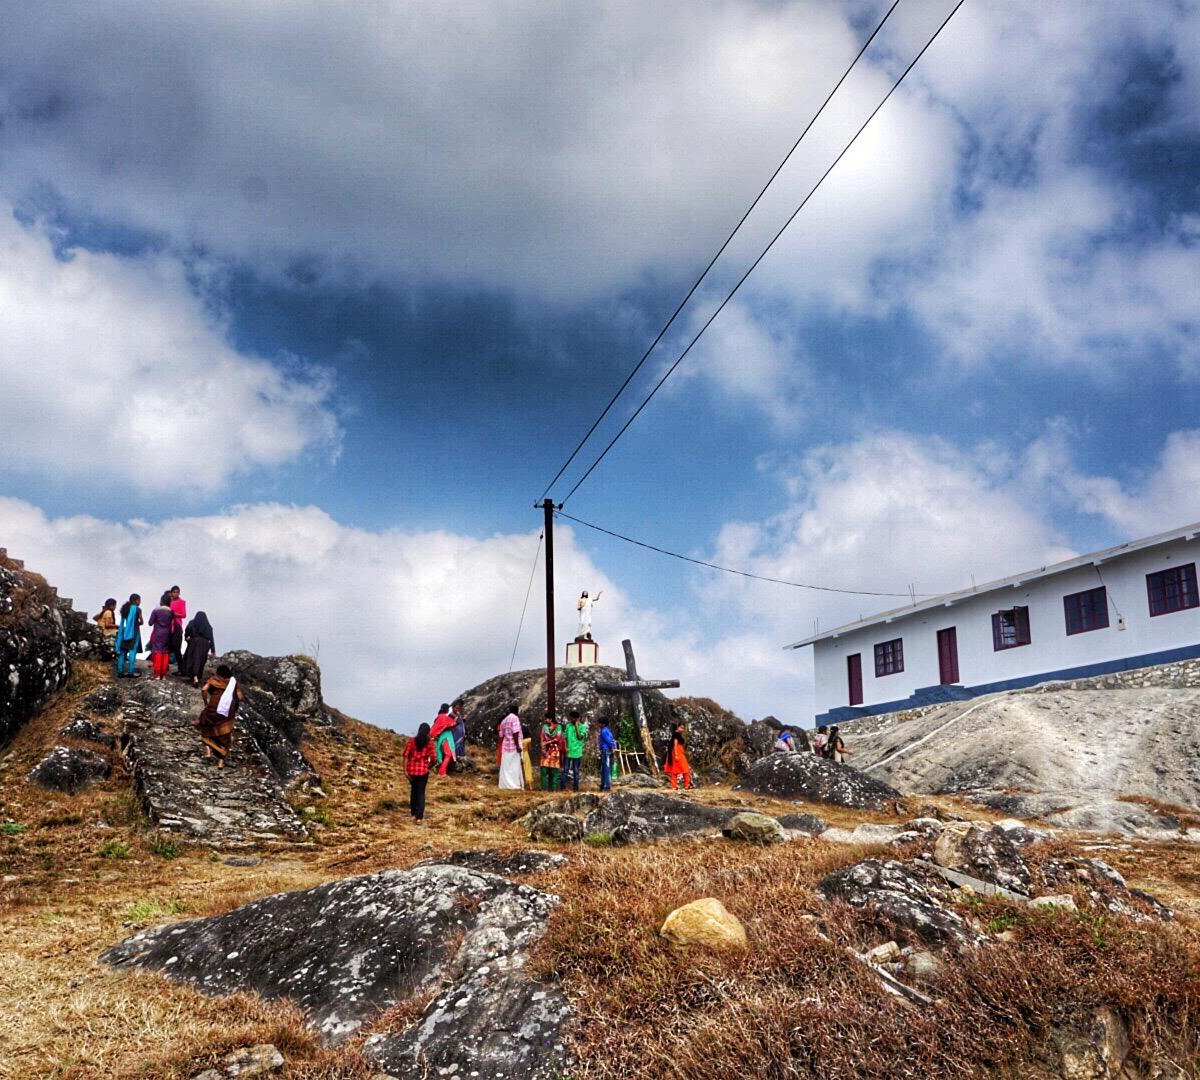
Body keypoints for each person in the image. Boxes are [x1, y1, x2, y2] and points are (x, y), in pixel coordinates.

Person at [195, 663, 243, 768]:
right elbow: (240, 697)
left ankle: (207, 749)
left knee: (205, 725)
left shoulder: (214, 680)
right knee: (225, 735)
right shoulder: (233, 683)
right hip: (227, 712)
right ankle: (221, 761)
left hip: (213, 708)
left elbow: (204, 689)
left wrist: (205, 702)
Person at [403, 722, 436, 822]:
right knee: (421, 793)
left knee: (414, 792)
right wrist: (429, 766)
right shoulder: (429, 743)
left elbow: (406, 756)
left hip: (412, 771)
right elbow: (434, 758)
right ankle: (419, 817)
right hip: (423, 771)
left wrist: (405, 770)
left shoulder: (412, 741)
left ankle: (413, 813)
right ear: (428, 732)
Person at [182, 611, 216, 687]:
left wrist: (187, 639)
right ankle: (197, 677)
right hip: (205, 644)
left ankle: (194, 677)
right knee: (201, 661)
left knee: (193, 659)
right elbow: (211, 639)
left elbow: (187, 631)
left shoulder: (192, 622)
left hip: (195, 642)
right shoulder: (208, 626)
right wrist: (213, 650)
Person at [147, 593, 174, 680]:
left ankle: (158, 674)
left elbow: (150, 623)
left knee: (158, 652)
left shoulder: (156, 611)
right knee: (165, 653)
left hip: (158, 633)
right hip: (167, 634)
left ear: (161, 601)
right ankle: (164, 674)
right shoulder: (171, 612)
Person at [115, 594, 143, 678]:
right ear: (136, 601)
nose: (140, 602)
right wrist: (137, 622)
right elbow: (141, 622)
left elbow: (123, 621)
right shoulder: (138, 609)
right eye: (139, 600)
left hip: (123, 632)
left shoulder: (125, 609)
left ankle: (120, 672)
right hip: (134, 632)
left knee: (122, 651)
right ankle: (130, 672)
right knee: (132, 651)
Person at [497, 706, 524, 789]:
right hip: (513, 746)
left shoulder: (504, 720)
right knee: (515, 766)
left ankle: (504, 785)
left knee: (506, 767)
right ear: (517, 711)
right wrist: (518, 746)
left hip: (505, 746)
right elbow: (515, 733)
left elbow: (501, 735)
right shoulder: (515, 718)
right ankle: (514, 785)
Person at [663, 721, 692, 790]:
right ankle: (686, 785)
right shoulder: (676, 734)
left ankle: (674, 786)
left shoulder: (676, 734)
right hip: (677, 753)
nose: (682, 729)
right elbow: (675, 744)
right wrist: (676, 754)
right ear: (678, 727)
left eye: (683, 728)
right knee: (685, 769)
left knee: (675, 769)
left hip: (677, 753)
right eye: (681, 727)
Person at [564, 710, 588, 791]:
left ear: (577, 718)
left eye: (573, 718)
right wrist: (565, 747)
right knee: (565, 770)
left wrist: (577, 726)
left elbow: (580, 737)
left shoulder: (582, 727)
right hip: (568, 751)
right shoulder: (568, 726)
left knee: (576, 771)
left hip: (577, 752)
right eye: (571, 718)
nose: (571, 719)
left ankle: (575, 788)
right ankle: (562, 788)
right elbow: (565, 738)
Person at [430, 704, 457, 777]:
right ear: (446, 709)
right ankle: (442, 772)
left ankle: (440, 770)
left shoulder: (438, 717)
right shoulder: (444, 717)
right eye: (448, 709)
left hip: (440, 737)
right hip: (447, 737)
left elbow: (435, 729)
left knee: (440, 754)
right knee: (448, 754)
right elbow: (453, 724)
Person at [539, 714, 564, 791]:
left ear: (551, 719)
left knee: (554, 770)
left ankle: (553, 789)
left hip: (555, 750)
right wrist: (543, 748)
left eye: (547, 719)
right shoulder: (545, 727)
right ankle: (543, 788)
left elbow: (558, 738)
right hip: (545, 750)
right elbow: (542, 738)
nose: (546, 720)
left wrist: (547, 742)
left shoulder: (558, 727)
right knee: (543, 769)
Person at [168, 585, 187, 675]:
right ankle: (164, 666)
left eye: (177, 592)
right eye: (174, 592)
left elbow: (184, 614)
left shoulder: (182, 602)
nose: (176, 593)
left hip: (177, 626)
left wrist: (173, 613)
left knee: (176, 647)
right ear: (171, 593)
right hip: (168, 625)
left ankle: (181, 669)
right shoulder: (169, 602)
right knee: (167, 646)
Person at [598, 719, 616, 791]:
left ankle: (606, 786)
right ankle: (603, 784)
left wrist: (613, 748)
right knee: (604, 768)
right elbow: (612, 739)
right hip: (606, 750)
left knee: (606, 768)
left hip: (606, 751)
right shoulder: (607, 730)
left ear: (603, 724)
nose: (598, 725)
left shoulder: (604, 731)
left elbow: (609, 741)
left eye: (600, 723)